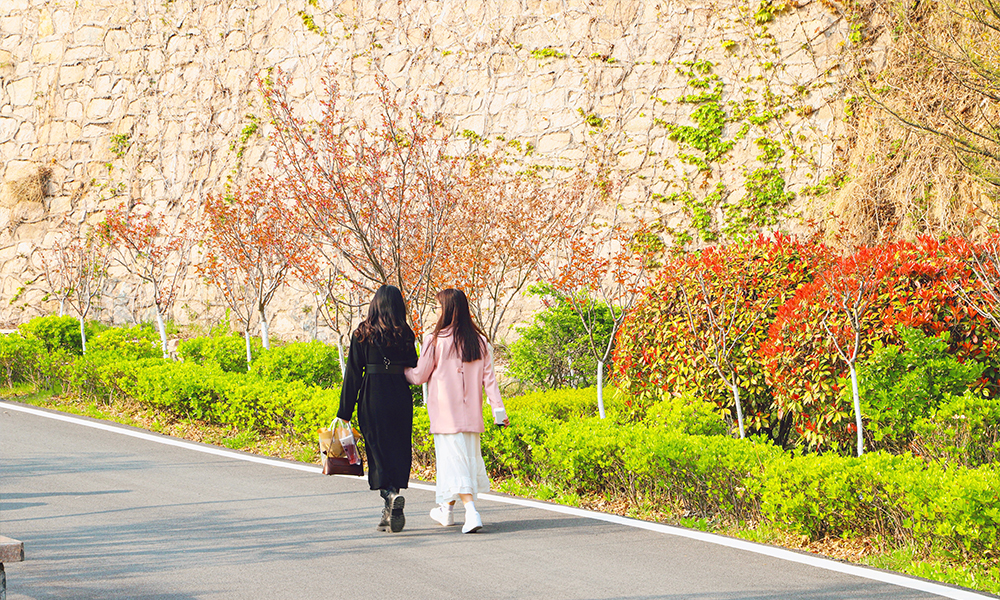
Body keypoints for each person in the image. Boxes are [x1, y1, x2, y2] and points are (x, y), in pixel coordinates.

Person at [406, 288, 509, 534]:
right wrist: (499, 412)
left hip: (445, 415)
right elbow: (490, 380)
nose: (436, 311)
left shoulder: (435, 340)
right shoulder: (479, 341)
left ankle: (471, 512)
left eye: (438, 307)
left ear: (448, 310)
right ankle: (446, 510)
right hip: (471, 415)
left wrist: (401, 372)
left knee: (454, 462)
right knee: (459, 463)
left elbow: (419, 376)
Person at [338, 285, 418, 533]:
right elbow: (414, 365)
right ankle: (390, 505)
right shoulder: (405, 334)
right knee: (398, 449)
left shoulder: (362, 333)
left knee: (377, 451)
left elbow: (352, 374)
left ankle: (389, 495)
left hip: (372, 398)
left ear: (375, 304)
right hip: (400, 398)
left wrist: (344, 413)